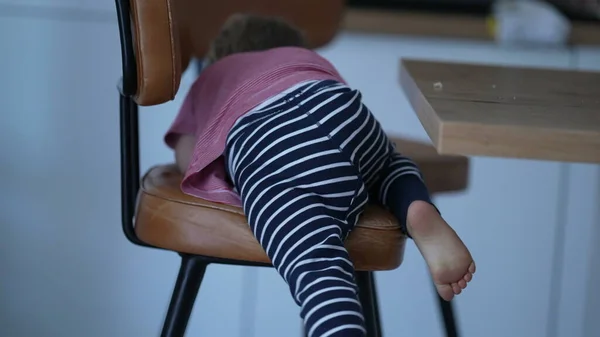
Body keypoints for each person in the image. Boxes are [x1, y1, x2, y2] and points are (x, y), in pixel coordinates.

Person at [165, 13, 475, 337]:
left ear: (222, 55)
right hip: (342, 111)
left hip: (271, 142)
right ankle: (415, 208)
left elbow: (188, 153)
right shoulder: (303, 58)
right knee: (389, 164)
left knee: (316, 265)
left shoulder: (214, 77)